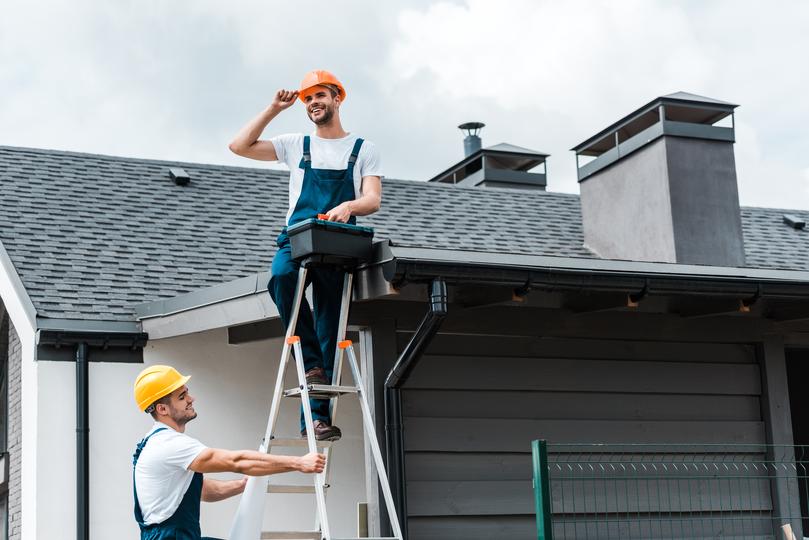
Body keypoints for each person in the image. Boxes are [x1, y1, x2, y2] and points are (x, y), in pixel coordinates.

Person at [229, 70, 383, 441]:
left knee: (331, 328)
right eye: (308, 99)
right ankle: (310, 363)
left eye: (320, 96)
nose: (314, 103)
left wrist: (350, 206)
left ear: (337, 98)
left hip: (337, 243)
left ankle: (316, 420)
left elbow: (372, 200)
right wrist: (273, 108)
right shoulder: (294, 144)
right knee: (280, 278)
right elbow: (239, 146)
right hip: (297, 238)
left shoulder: (363, 149)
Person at [132, 364, 325, 540]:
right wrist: (299, 463)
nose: (191, 399)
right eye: (182, 397)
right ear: (162, 408)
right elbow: (236, 461)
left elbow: (200, 490)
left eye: (187, 393)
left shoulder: (155, 441)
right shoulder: (169, 444)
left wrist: (242, 485)